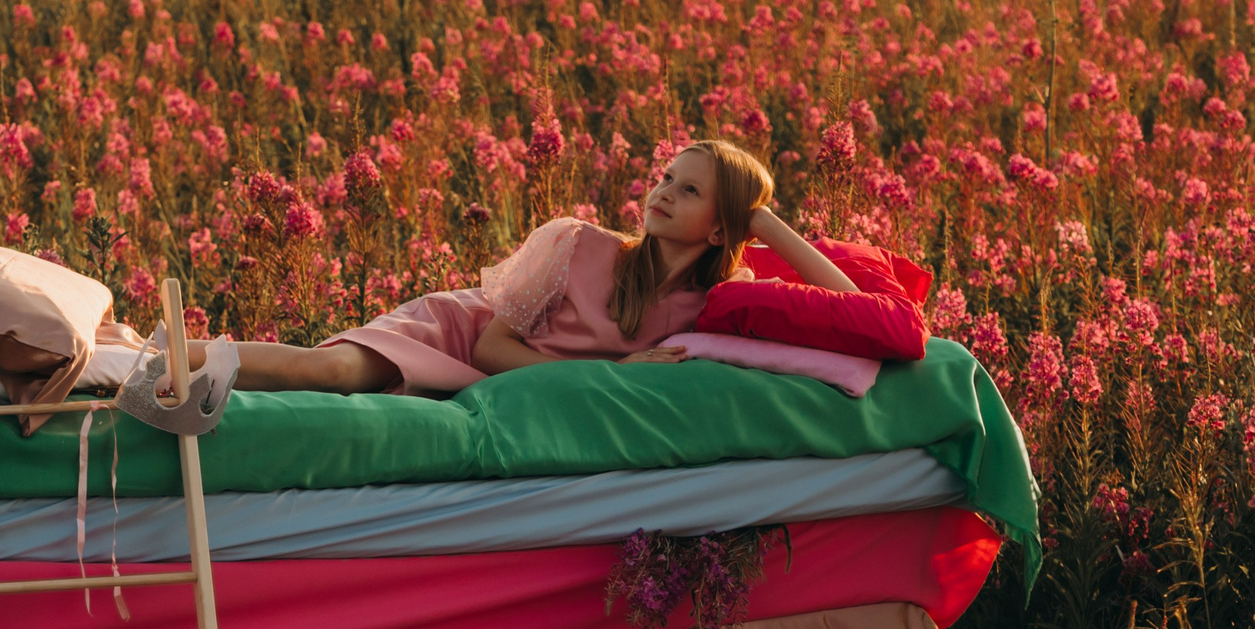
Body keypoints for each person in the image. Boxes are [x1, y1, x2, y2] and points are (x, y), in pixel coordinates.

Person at [195, 139, 856, 396]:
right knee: (333, 370)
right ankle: (164, 352)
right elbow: (490, 345)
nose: (662, 191)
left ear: (720, 225)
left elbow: (851, 308)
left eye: (688, 190)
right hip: (459, 340)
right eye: (664, 176)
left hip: (514, 382)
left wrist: (765, 220)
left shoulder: (718, 299)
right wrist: (610, 373)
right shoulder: (583, 243)